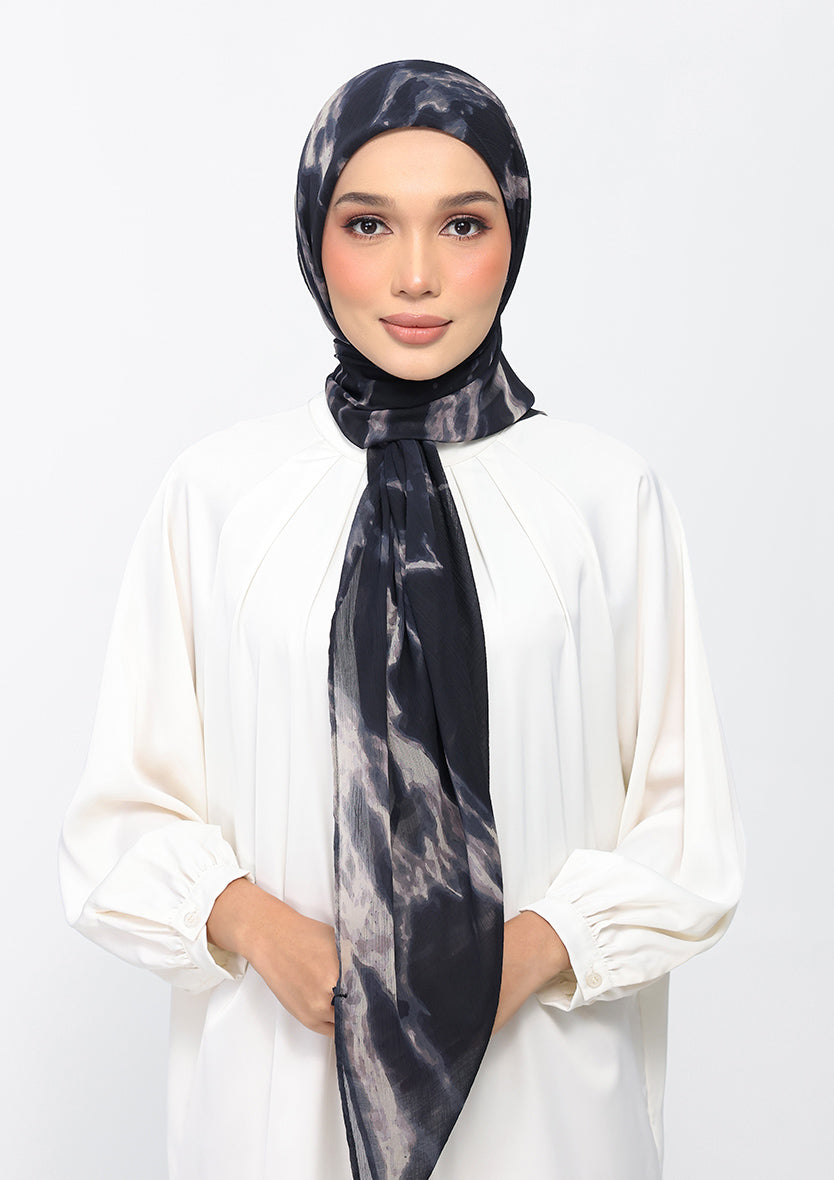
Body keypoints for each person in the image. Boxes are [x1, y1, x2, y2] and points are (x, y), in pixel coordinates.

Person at [58, 60, 745, 1180]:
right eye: (369, 224)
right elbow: (120, 814)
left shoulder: (605, 497)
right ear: (313, 237)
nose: (416, 275)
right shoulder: (219, 495)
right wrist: (262, 931)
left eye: (462, 224)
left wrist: (517, 959)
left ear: (513, 238)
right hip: (282, 1096)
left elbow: (686, 827)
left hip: (543, 1107)